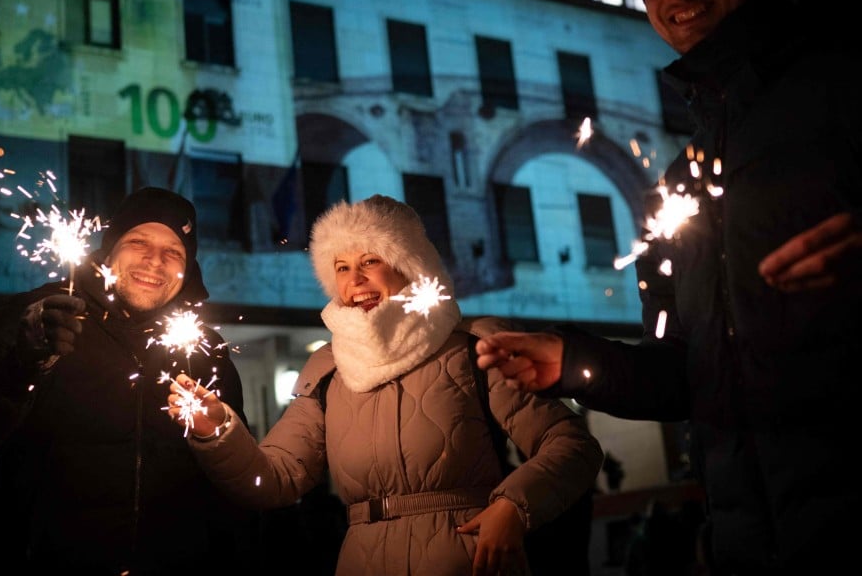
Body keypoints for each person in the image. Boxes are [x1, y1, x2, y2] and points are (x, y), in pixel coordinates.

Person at [474, 0, 862, 574]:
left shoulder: (840, 85)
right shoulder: (680, 181)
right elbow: (688, 374)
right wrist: (572, 362)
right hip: (752, 542)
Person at [167, 194, 604, 576]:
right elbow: (276, 477)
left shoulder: (475, 349)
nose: (354, 280)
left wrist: (513, 507)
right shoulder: (327, 371)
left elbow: (571, 447)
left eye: (369, 261)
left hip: (468, 561)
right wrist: (217, 430)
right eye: (341, 267)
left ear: (408, 264)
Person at [0, 187, 255, 575]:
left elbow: (235, 489)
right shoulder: (42, 317)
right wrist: (21, 365)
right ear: (108, 249)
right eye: (138, 241)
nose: (154, 261)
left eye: (173, 251)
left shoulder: (204, 349)